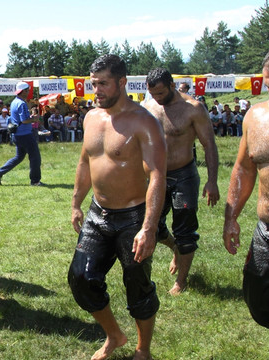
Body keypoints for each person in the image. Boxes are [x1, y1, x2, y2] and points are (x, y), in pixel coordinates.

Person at [68, 55, 166, 360]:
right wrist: (75, 203)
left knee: (137, 285)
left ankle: (143, 349)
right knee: (80, 279)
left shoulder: (143, 121)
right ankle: (114, 335)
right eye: (93, 83)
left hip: (134, 215)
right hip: (99, 213)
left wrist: (148, 228)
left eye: (103, 83)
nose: (96, 89)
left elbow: (157, 176)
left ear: (122, 83)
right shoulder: (91, 118)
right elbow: (85, 163)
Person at [143, 68, 220, 296]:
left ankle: (181, 280)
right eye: (152, 93)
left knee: (185, 229)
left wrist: (212, 181)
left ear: (172, 85)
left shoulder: (193, 109)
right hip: (157, 175)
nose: (157, 98)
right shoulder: (148, 108)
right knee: (151, 227)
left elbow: (209, 145)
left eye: (160, 92)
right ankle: (174, 246)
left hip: (184, 174)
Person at [223, 50, 269, 329]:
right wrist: (231, 218)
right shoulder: (255, 117)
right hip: (267, 230)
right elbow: (243, 169)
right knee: (260, 303)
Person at [0, 82, 43, 186]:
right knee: (35, 157)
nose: (29, 92)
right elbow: (24, 120)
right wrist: (34, 119)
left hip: (17, 135)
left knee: (19, 157)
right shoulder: (22, 103)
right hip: (25, 134)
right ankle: (35, 181)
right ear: (23, 91)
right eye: (28, 90)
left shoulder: (14, 102)